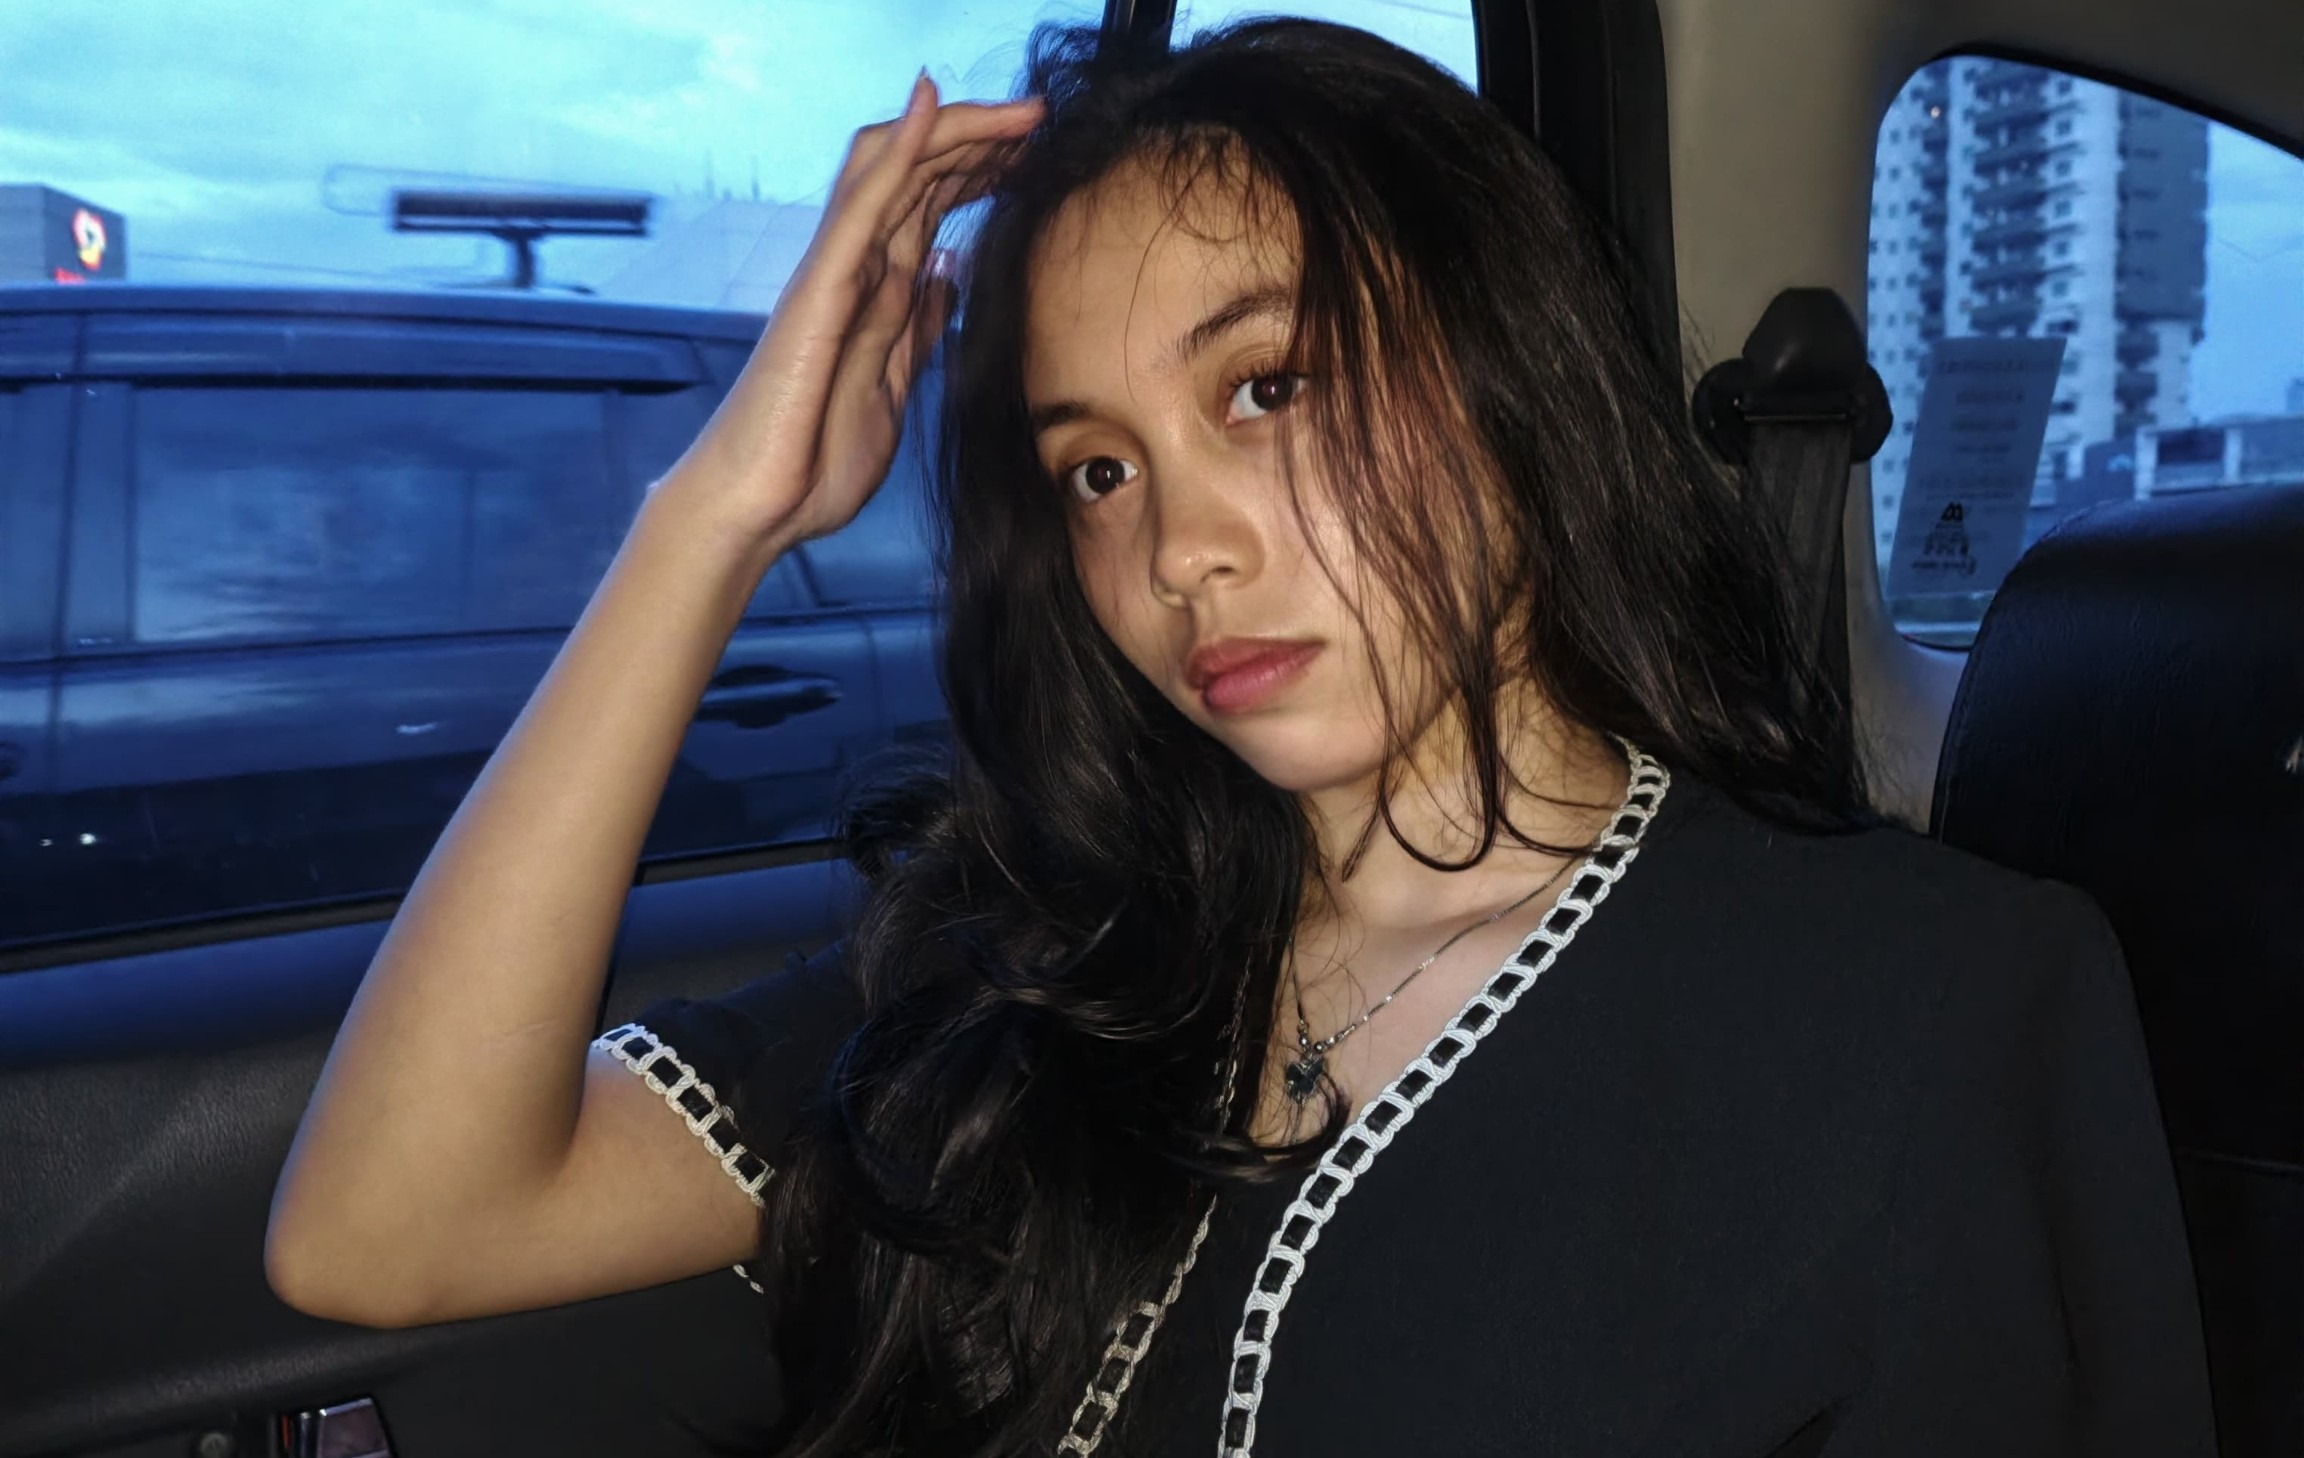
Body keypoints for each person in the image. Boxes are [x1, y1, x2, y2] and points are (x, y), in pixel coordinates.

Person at [264, 20, 2216, 1458]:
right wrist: (713, 515)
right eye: (1096, 469)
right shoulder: (1034, 961)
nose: (1177, 546)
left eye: (1269, 387)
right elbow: (385, 1231)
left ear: (1511, 367)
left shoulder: (1922, 1004)